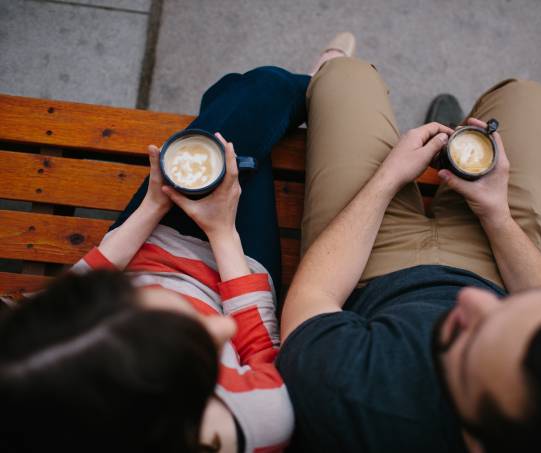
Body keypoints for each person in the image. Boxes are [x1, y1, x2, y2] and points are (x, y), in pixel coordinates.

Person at [276, 38, 541, 452]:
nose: (469, 301)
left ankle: (335, 84)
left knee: (347, 77)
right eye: (529, 315)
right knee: (529, 99)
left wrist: (388, 178)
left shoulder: (351, 400)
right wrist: (496, 214)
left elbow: (314, 295)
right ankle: (455, 153)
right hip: (497, 259)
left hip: (365, 269)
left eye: (467, 340)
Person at [0, 33, 351, 452]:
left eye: (121, 299)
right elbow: (257, 343)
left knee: (226, 106)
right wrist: (223, 231)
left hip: (144, 241)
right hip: (234, 269)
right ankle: (322, 83)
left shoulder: (48, 372)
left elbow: (87, 280)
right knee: (257, 90)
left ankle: (283, 89)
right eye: (202, 347)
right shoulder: (260, 423)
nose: (222, 326)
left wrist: (152, 204)